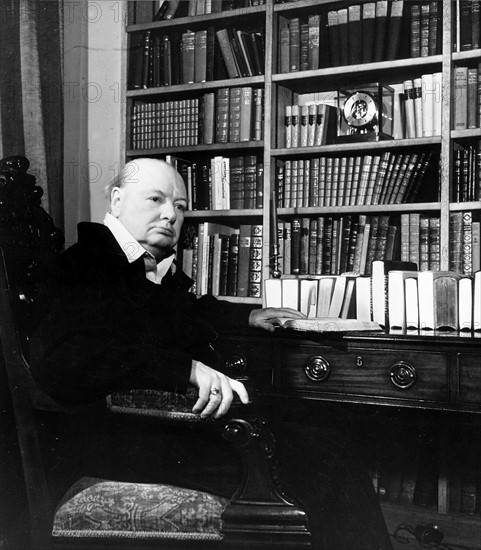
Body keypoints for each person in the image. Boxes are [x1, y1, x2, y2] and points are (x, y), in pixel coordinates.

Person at [29, 158, 392, 550]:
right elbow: (64, 358)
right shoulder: (83, 264)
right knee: (326, 458)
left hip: (161, 428)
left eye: (181, 206)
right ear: (116, 201)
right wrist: (184, 369)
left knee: (327, 442)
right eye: (156, 199)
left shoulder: (139, 265)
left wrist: (249, 314)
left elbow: (184, 315)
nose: (171, 214)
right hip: (114, 438)